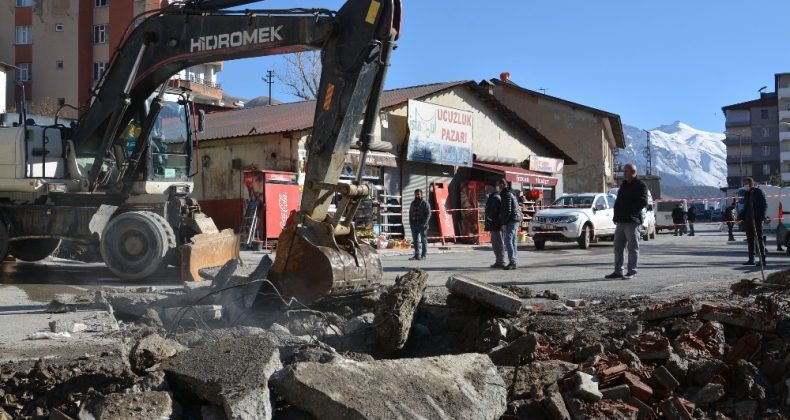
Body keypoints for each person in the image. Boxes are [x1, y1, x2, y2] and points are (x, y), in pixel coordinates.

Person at [606, 163, 648, 280]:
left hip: (632, 221)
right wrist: (616, 216)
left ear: (633, 172)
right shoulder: (623, 185)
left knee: (632, 247)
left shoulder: (641, 185)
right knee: (618, 247)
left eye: (626, 172)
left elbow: (642, 202)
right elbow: (619, 202)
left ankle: (632, 271)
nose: (623, 174)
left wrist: (630, 212)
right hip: (620, 221)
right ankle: (618, 271)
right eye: (623, 171)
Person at [740, 177, 767, 266]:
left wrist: (759, 217)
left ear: (752, 183)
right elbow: (746, 207)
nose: (746, 186)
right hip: (748, 220)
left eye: (747, 184)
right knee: (750, 240)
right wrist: (741, 216)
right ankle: (751, 259)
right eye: (744, 184)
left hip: (757, 220)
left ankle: (762, 260)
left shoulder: (759, 192)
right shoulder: (747, 194)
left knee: (759, 239)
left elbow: (764, 206)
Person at [498, 178, 523, 270]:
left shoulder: (506, 194)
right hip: (514, 219)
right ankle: (514, 261)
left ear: (502, 185)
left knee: (508, 240)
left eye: (498, 185)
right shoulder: (510, 193)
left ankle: (512, 262)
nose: (497, 187)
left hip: (511, 220)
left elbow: (507, 210)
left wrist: (504, 223)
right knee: (512, 241)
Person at [484, 184, 505, 268]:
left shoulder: (495, 197)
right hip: (494, 224)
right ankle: (498, 261)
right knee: (495, 243)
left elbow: (495, 210)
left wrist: (489, 218)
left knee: (498, 243)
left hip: (496, 224)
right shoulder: (492, 196)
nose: (485, 189)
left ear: (491, 187)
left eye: (487, 187)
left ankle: (501, 261)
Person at [408, 189, 431, 261]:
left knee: (423, 240)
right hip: (414, 224)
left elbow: (428, 214)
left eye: (418, 194)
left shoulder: (425, 203)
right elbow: (410, 213)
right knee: (415, 240)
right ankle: (416, 255)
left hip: (422, 225)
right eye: (416, 194)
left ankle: (423, 255)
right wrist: (411, 223)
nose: (417, 195)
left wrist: (424, 223)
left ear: (421, 194)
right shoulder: (413, 203)